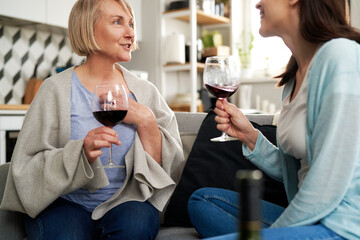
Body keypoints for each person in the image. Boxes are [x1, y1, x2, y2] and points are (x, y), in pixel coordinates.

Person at [0, 0, 184, 239]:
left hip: (127, 202)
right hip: (63, 203)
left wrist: (147, 121)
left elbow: (168, 170)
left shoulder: (146, 92)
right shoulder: (54, 89)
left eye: (131, 23)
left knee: (136, 226)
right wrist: (81, 154)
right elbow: (25, 169)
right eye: (117, 22)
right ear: (88, 27)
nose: (130, 33)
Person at [187, 0, 360, 239]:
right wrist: (250, 137)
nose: (257, 3)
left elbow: (327, 183)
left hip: (342, 226)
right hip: (309, 217)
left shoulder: (340, 55)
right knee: (202, 201)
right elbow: (294, 169)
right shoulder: (292, 80)